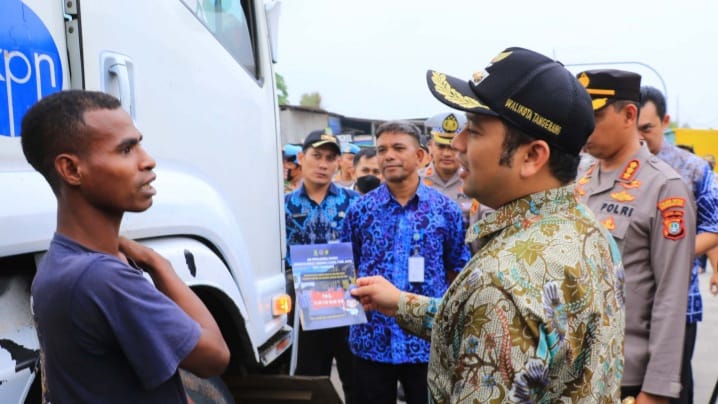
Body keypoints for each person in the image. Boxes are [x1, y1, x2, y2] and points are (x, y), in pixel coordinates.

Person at [351, 46, 625, 402]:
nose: (458, 143)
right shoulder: (589, 230)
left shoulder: (501, 280)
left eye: (475, 131)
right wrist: (401, 303)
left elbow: (498, 314)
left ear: (531, 156)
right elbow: (490, 326)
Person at [21, 90, 230, 403]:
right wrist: (160, 265)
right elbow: (214, 356)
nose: (147, 161)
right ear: (72, 170)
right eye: (126, 149)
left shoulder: (59, 262)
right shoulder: (103, 278)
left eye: (139, 143)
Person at [575, 69, 696, 402]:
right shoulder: (581, 182)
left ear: (629, 115)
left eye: (596, 117)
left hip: (626, 379)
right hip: (577, 375)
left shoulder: (664, 187)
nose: (585, 127)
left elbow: (671, 297)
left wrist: (656, 391)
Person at [341, 120, 470, 404]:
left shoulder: (445, 210)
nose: (388, 156)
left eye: (399, 148)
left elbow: (457, 268)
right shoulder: (360, 210)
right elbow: (345, 268)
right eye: (382, 149)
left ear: (421, 156)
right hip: (371, 340)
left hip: (426, 342)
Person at [638, 85, 718, 404]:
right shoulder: (614, 169)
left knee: (676, 388)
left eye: (648, 129)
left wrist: (671, 254)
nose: (641, 139)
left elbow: (714, 225)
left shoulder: (692, 168)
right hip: (627, 307)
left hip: (680, 305)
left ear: (665, 121)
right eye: (635, 130)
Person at [284, 129, 359, 403]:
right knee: (309, 382)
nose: (323, 164)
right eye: (317, 156)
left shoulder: (354, 204)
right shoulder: (283, 206)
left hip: (347, 304)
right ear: (302, 157)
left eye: (330, 157)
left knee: (355, 380)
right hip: (304, 308)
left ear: (339, 162)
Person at [420, 112, 493, 247]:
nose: (447, 154)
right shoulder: (416, 182)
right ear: (430, 146)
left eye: (452, 148)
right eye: (441, 146)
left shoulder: (476, 183)